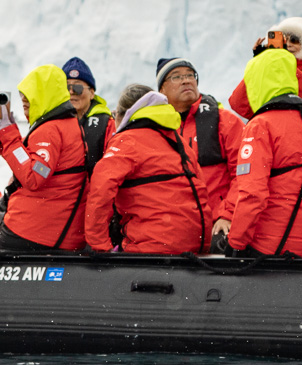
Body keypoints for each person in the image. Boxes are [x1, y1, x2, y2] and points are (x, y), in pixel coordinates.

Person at [224, 48, 302, 259]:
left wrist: (236, 243)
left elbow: (252, 195)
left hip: (274, 249)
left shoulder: (261, 125)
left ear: (257, 82)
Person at [84, 91, 209, 254]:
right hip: (198, 243)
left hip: (154, 244)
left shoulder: (128, 140)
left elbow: (101, 189)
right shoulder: (179, 142)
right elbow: (201, 186)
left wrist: (99, 245)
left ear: (124, 115)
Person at [0, 64, 90, 252]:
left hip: (35, 233)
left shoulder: (49, 130)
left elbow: (35, 175)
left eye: (30, 94)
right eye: (23, 95)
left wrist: (8, 135)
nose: (24, 100)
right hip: (57, 231)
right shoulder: (67, 124)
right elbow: (33, 164)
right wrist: (3, 139)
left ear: (45, 94)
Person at [154, 56, 244, 251]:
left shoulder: (225, 121)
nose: (186, 80)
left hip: (217, 225)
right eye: (176, 77)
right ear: (162, 90)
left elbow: (243, 173)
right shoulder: (155, 129)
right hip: (172, 227)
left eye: (190, 75)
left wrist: (228, 215)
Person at [227, 16, 302, 134]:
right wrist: (261, 62)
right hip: (280, 138)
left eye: (294, 39)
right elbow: (239, 104)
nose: (288, 44)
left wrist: (286, 66)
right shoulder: (273, 71)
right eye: (283, 40)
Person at [62, 56, 113, 163]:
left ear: (92, 93)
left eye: (78, 88)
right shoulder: (53, 122)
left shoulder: (107, 125)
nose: (71, 92)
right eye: (66, 88)